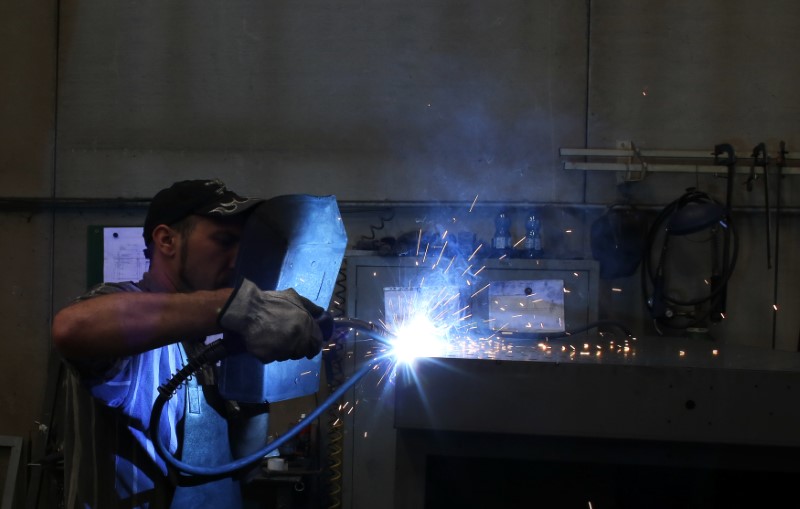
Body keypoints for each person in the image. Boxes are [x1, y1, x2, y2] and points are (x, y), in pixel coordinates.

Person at [52, 179, 328, 508]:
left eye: (243, 245)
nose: (237, 259)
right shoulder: (128, 317)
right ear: (167, 240)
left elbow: (236, 465)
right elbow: (72, 328)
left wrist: (252, 379)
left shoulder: (200, 346)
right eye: (224, 241)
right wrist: (242, 306)